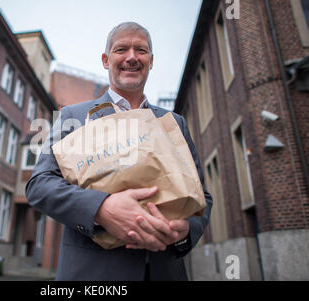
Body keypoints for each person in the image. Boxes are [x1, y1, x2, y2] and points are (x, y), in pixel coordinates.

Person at [25, 22, 212, 281]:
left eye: (141, 50)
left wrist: (185, 231)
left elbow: (202, 196)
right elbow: (40, 185)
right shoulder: (74, 117)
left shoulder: (174, 123)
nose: (132, 57)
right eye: (121, 49)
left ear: (151, 60)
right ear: (105, 60)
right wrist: (101, 208)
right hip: (92, 275)